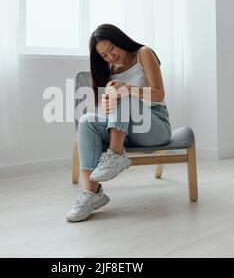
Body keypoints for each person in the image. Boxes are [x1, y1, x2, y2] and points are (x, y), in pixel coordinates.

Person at [66, 24, 172, 222]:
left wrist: (126, 89)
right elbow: (109, 111)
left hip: (156, 125)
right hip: (128, 131)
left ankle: (115, 155)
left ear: (120, 40)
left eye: (112, 49)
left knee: (124, 94)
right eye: (105, 55)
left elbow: (159, 94)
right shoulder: (111, 70)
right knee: (88, 120)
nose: (110, 57)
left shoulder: (144, 54)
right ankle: (92, 194)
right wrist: (109, 102)